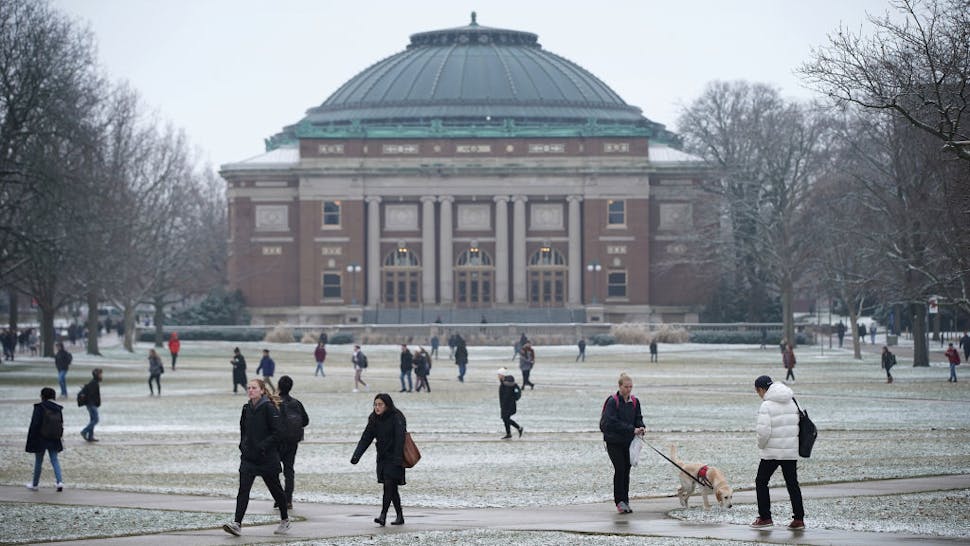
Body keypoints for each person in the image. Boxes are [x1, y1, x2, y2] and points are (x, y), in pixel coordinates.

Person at [223, 379, 290, 537]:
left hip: (267, 458)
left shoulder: (269, 407)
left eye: (254, 388)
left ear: (261, 390)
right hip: (248, 458)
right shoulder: (246, 408)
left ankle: (285, 519)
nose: (250, 390)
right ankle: (237, 524)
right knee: (243, 491)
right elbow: (243, 430)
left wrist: (262, 446)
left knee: (276, 490)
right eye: (249, 388)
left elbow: (278, 433)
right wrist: (243, 445)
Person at [751, 375, 804, 529]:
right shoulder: (792, 400)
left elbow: (763, 432)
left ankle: (765, 517)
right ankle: (799, 519)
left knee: (761, 482)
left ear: (760, 389)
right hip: (790, 451)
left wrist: (761, 445)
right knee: (792, 484)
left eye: (758, 392)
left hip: (771, 453)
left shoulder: (767, 405)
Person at [351, 393, 408, 527]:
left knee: (388, 485)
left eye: (380, 404)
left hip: (395, 457)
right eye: (375, 404)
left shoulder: (397, 417)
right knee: (391, 488)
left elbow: (401, 439)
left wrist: (398, 459)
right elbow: (366, 437)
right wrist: (356, 456)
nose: (377, 407)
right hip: (382, 458)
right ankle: (400, 516)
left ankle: (383, 515)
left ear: (387, 405)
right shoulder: (374, 418)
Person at [600, 372, 645, 514]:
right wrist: (631, 429)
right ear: (619, 386)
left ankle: (625, 501)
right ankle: (619, 501)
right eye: (626, 387)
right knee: (619, 469)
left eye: (631, 387)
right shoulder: (613, 401)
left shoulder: (635, 401)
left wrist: (641, 427)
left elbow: (638, 418)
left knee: (626, 471)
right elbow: (611, 422)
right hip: (613, 441)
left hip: (628, 442)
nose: (629, 390)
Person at [277, 375, 309, 511]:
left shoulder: (274, 402)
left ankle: (279, 498)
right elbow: (306, 421)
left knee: (273, 471)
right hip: (292, 442)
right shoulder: (296, 403)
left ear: (278, 386)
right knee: (289, 471)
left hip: (277, 442)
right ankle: (288, 500)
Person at [25, 387, 64, 492]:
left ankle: (35, 484)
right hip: (54, 438)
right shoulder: (58, 408)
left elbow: (35, 424)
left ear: (43, 396)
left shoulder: (40, 407)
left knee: (38, 461)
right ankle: (59, 482)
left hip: (40, 438)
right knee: (54, 460)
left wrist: (31, 439)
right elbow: (61, 424)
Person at [497, 367, 523, 439]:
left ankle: (519, 428)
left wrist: (504, 404)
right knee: (505, 419)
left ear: (502, 375)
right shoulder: (506, 383)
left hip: (508, 405)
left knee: (505, 418)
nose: (498, 376)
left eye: (499, 374)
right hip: (507, 404)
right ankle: (508, 434)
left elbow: (506, 396)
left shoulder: (506, 384)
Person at [79, 368, 103, 442]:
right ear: (96, 375)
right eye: (100, 374)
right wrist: (95, 403)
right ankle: (84, 431)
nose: (101, 376)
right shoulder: (93, 383)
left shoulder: (94, 382)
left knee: (92, 420)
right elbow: (92, 395)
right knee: (96, 420)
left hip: (91, 404)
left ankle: (90, 436)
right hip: (91, 404)